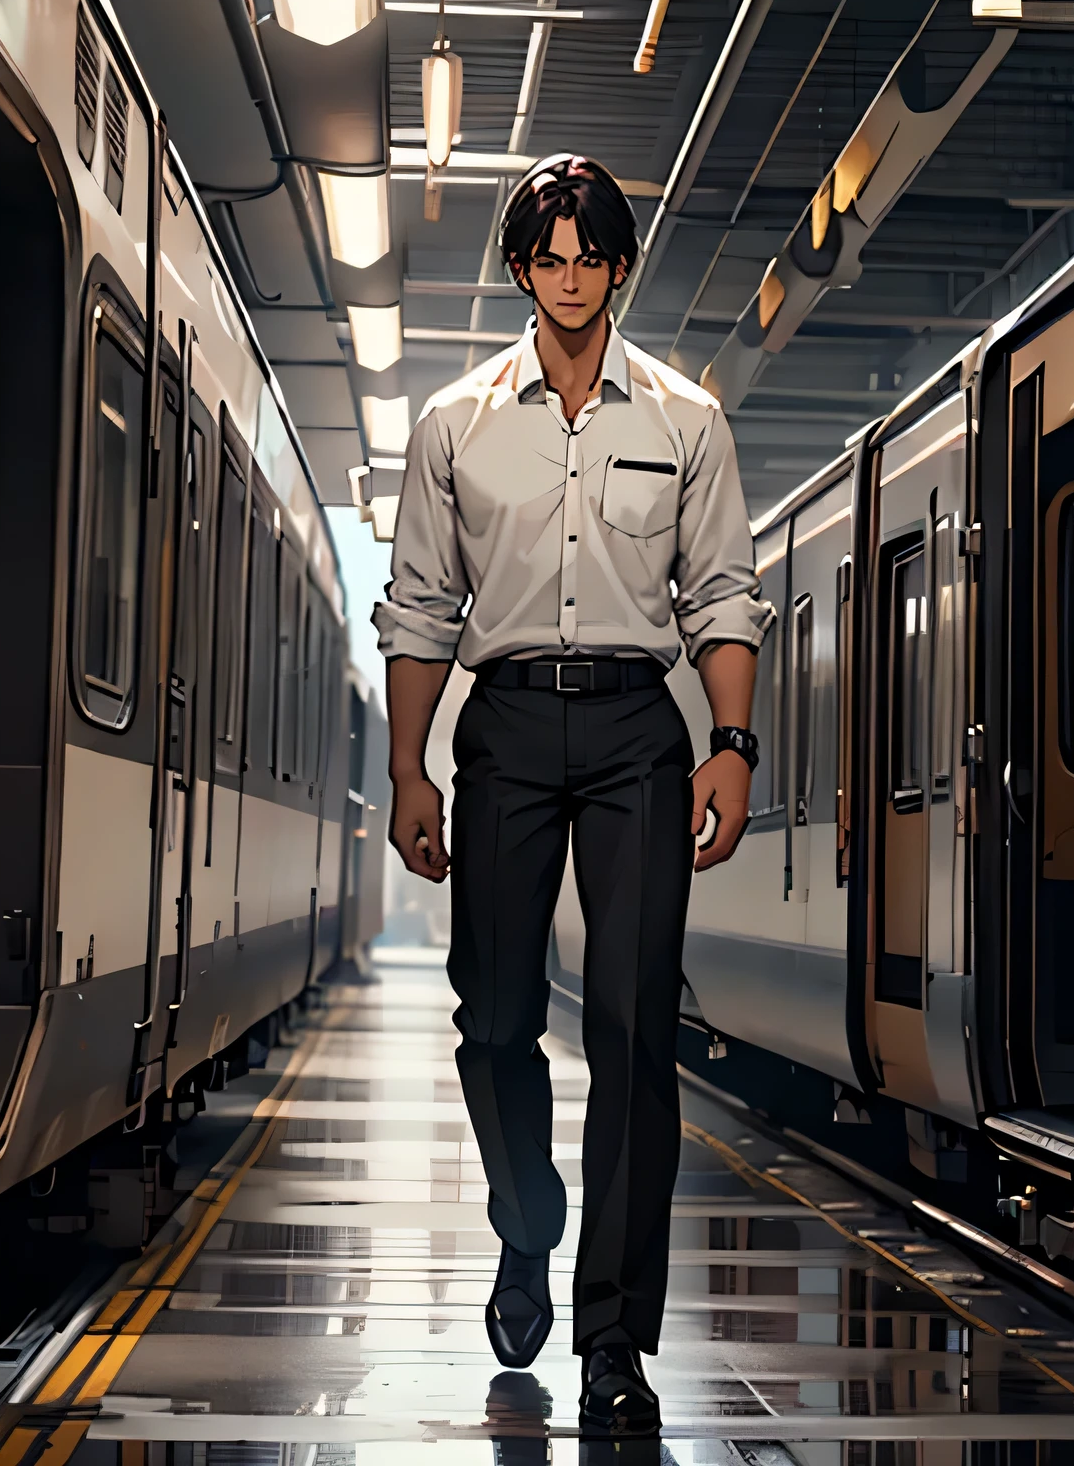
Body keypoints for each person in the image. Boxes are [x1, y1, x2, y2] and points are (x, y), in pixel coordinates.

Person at [372, 153, 769, 1438]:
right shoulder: (456, 425)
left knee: (635, 1029)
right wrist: (408, 769)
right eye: (547, 258)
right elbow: (425, 609)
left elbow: (719, 595)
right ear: (521, 271)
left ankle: (613, 1337)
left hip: (634, 738)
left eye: (590, 256)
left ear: (617, 267)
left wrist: (732, 741)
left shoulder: (686, 423)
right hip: (502, 737)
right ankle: (527, 1226)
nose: (569, 278)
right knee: (494, 1021)